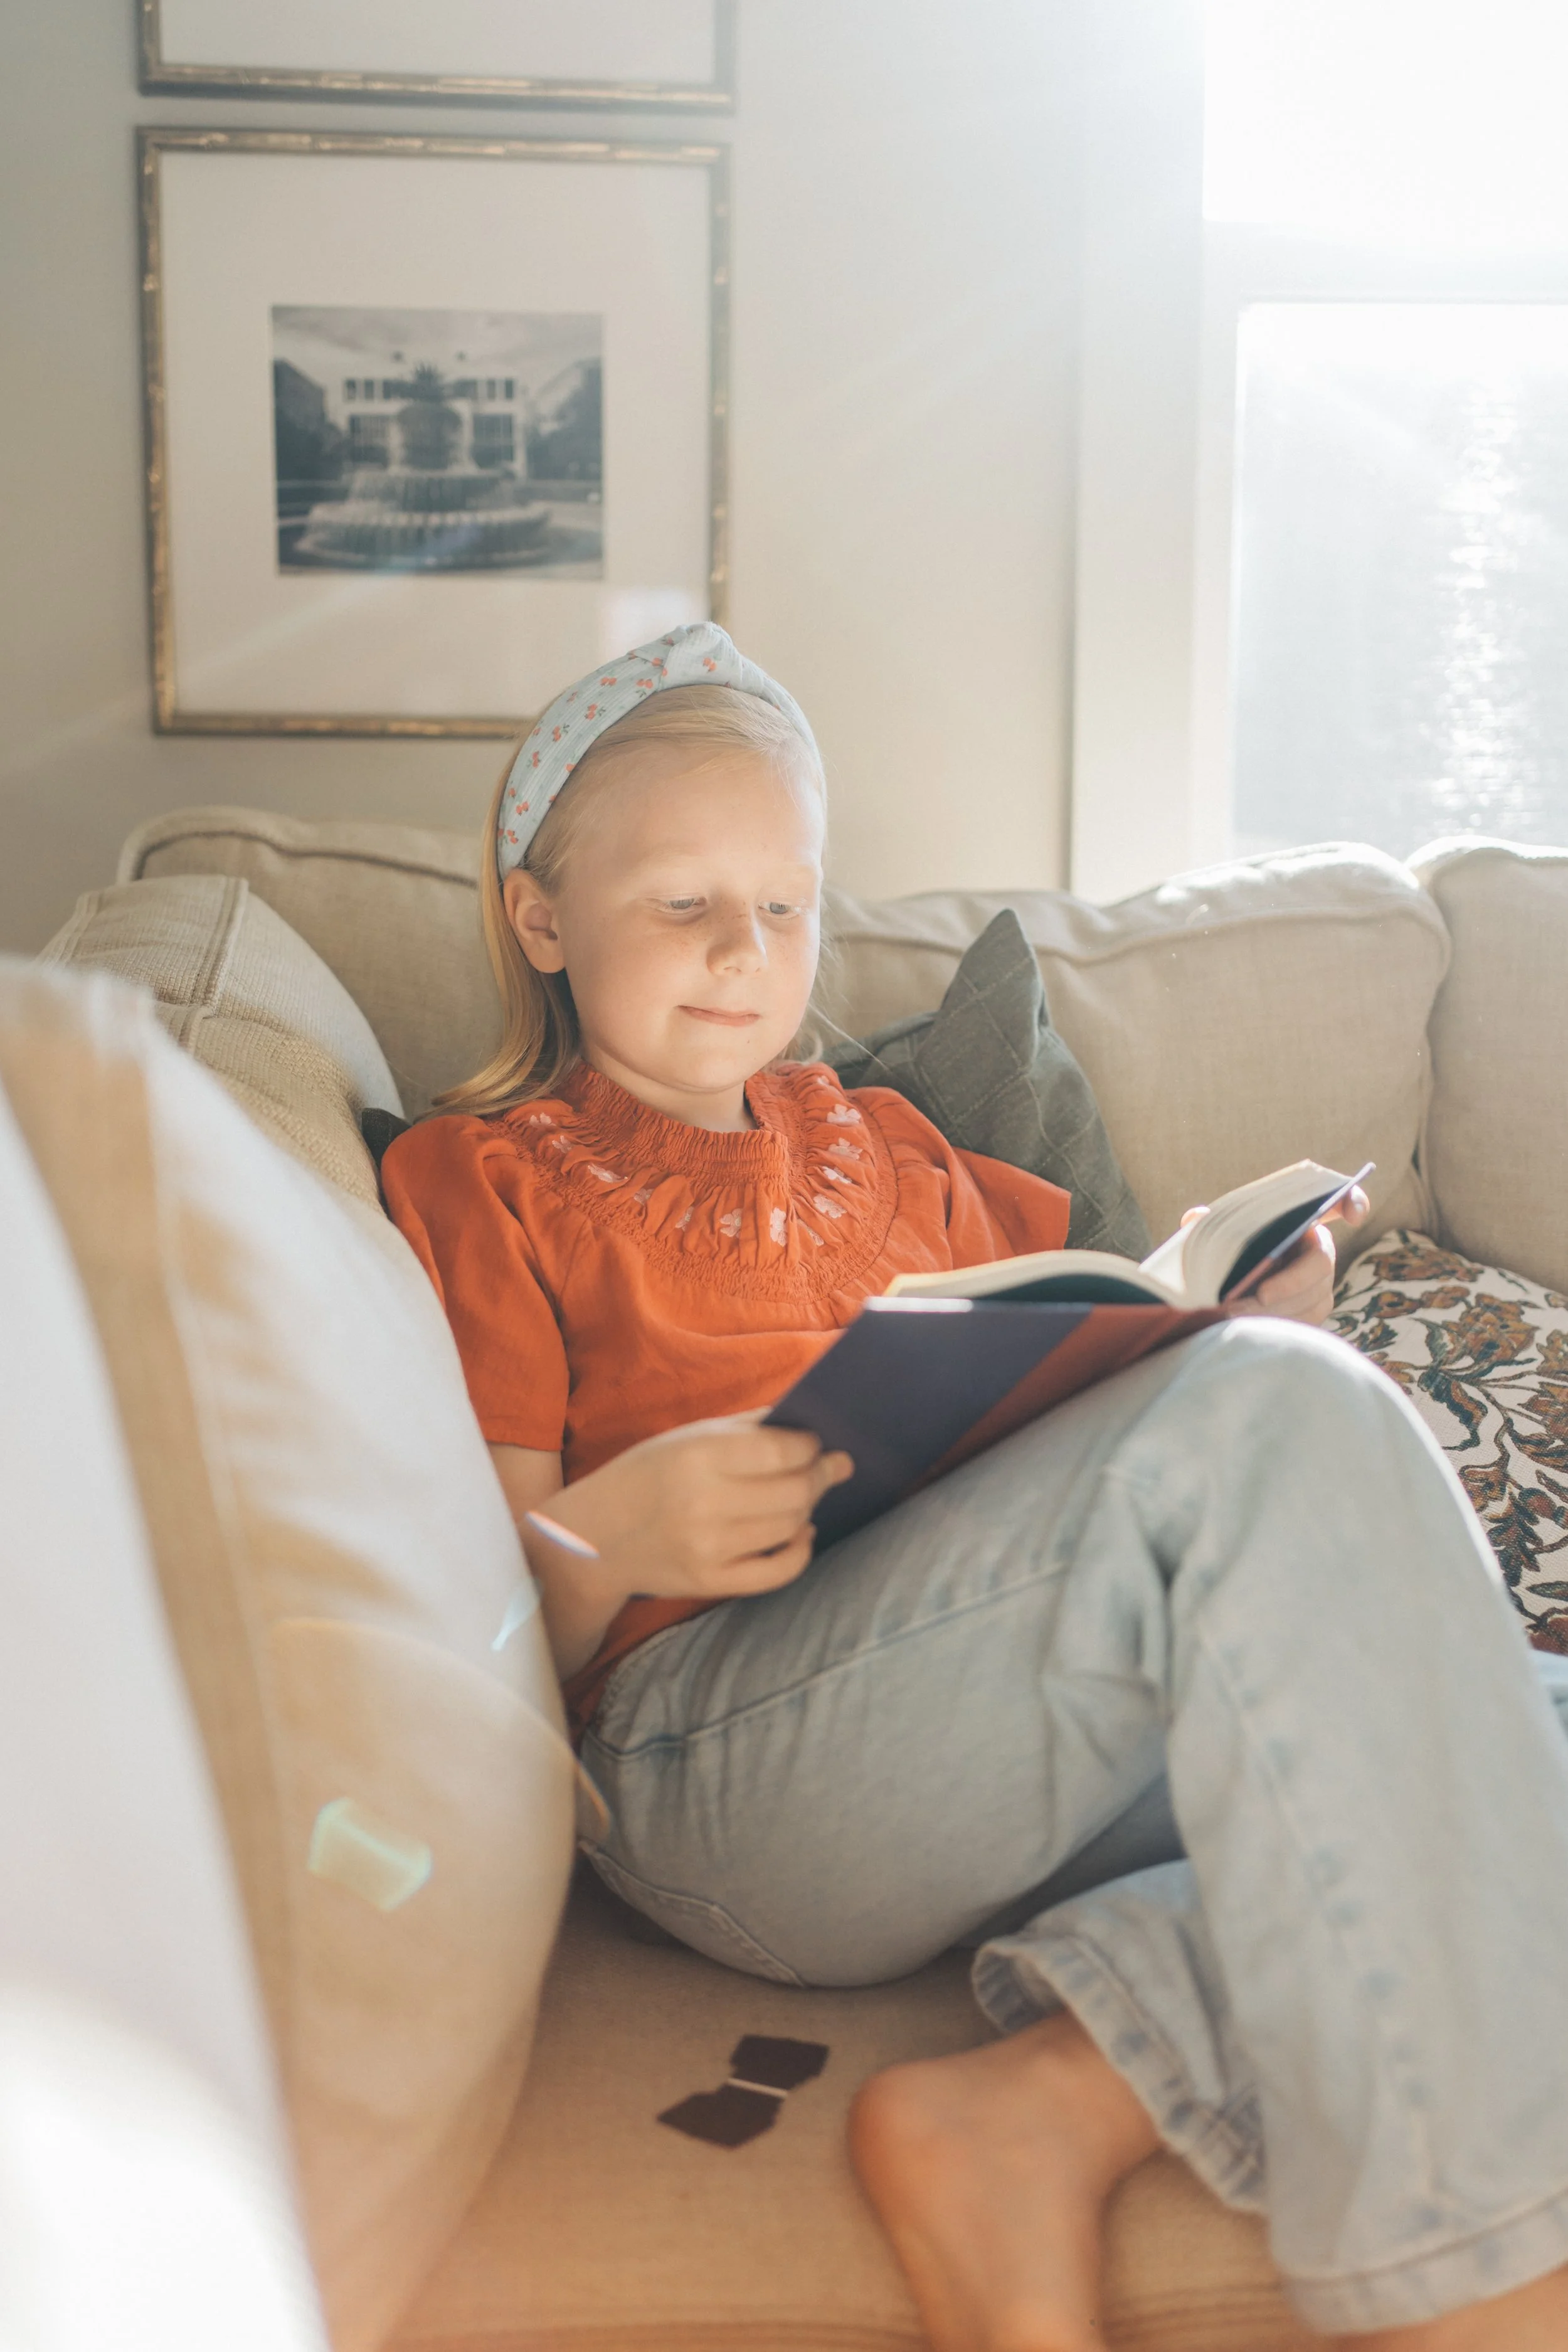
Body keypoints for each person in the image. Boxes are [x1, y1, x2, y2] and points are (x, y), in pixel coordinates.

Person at [383, 623, 1568, 2352]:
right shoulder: (480, 1177)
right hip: (705, 1757)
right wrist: (605, 1532)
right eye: (680, 903)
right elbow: (456, 1618)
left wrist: (1221, 1309)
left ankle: (1043, 2108)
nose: (742, 951)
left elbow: (1082, 1355)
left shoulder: (894, 1147)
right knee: (1270, 1420)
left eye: (782, 906)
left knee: (1500, 1702)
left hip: (987, 1737)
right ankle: (1478, 2278)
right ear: (541, 919)